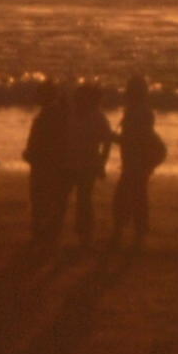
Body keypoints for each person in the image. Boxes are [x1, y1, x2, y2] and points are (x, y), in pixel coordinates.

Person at [111, 75, 167, 251]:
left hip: (138, 160)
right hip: (140, 160)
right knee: (137, 195)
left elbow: (134, 139)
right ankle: (136, 233)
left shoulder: (137, 112)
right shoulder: (140, 110)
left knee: (127, 196)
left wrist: (114, 138)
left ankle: (128, 232)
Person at [21, 78, 72, 251]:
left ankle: (41, 233)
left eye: (39, 94)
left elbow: (37, 141)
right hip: (55, 162)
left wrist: (29, 154)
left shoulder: (45, 117)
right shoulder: (61, 114)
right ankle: (49, 233)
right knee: (53, 199)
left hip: (45, 162)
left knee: (41, 198)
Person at [69, 80, 116, 254]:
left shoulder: (96, 117)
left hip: (86, 163)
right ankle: (83, 236)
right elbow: (108, 141)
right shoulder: (88, 116)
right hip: (75, 161)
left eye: (79, 97)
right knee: (81, 199)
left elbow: (107, 141)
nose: (76, 100)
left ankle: (85, 237)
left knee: (83, 199)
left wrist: (102, 162)